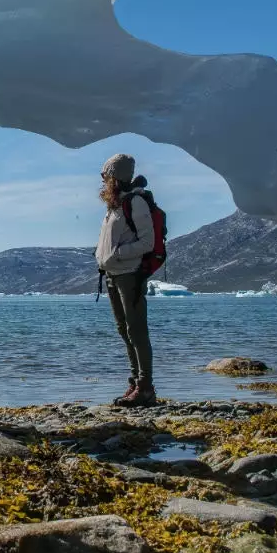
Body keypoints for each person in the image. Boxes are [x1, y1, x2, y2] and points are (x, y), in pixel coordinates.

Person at [95, 153, 158, 407]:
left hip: (129, 275)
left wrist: (118, 255)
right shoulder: (115, 204)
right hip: (112, 275)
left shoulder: (135, 203)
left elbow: (148, 242)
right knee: (125, 330)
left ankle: (145, 387)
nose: (102, 180)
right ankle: (135, 382)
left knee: (137, 331)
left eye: (105, 175)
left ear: (116, 177)